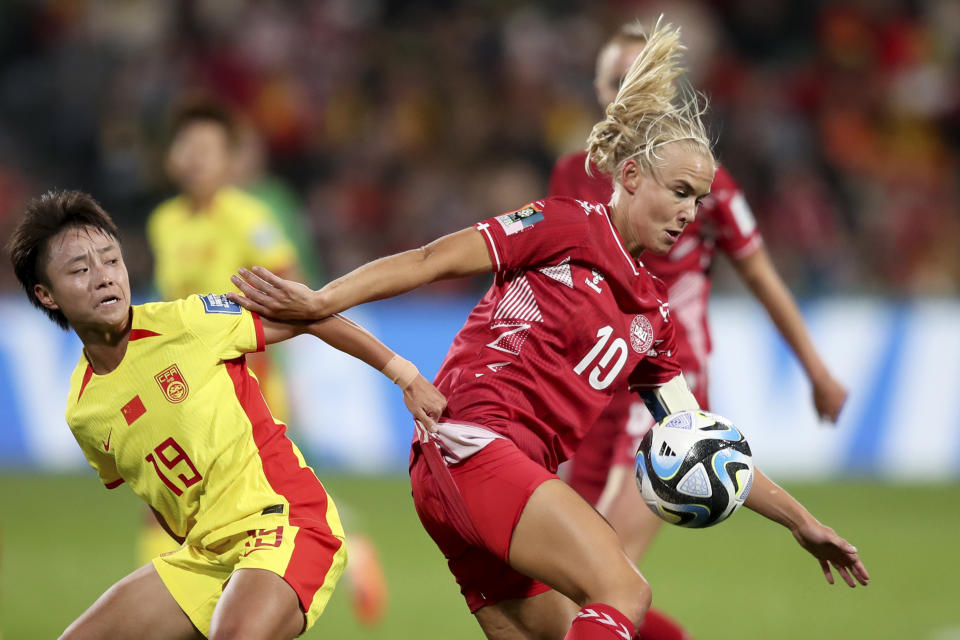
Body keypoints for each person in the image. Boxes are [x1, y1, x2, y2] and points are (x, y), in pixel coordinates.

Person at [228, 20, 868, 640]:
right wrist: (321, 299)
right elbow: (428, 260)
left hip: (471, 473)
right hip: (476, 446)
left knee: (564, 630)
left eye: (698, 200)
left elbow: (702, 445)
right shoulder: (565, 225)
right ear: (630, 176)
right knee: (623, 592)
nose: (687, 214)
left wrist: (800, 522)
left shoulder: (653, 317)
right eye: (677, 192)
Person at [7, 189, 445, 639]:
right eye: (80, 270)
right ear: (47, 294)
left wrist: (403, 374)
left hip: (284, 521)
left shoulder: (187, 321)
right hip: (207, 556)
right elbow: (158, 494)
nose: (104, 278)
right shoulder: (85, 412)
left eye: (111, 260)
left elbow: (309, 315)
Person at [548, 22, 851, 634]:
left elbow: (762, 276)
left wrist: (816, 369)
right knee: (570, 577)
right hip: (593, 383)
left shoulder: (706, 185)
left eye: (642, 83)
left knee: (606, 570)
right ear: (601, 90)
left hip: (666, 385)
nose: (627, 96)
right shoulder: (573, 174)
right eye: (618, 82)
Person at [146, 99, 390, 625]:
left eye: (208, 150)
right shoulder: (164, 223)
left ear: (230, 161)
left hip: (244, 383)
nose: (194, 159)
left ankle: (345, 549)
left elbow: (293, 283)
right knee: (197, 506)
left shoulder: (249, 218)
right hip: (184, 389)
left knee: (246, 507)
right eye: (186, 147)